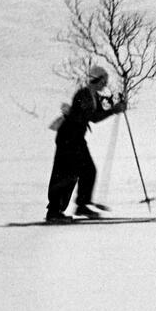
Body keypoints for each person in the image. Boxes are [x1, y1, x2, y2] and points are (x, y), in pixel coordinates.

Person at [46, 65, 127, 222]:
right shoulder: (83, 94)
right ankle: (54, 212)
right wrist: (113, 110)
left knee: (88, 171)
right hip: (69, 138)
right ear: (99, 79)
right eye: (105, 80)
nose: (106, 83)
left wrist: (114, 110)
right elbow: (87, 115)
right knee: (66, 174)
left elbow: (93, 117)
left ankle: (81, 205)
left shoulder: (92, 95)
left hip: (76, 138)